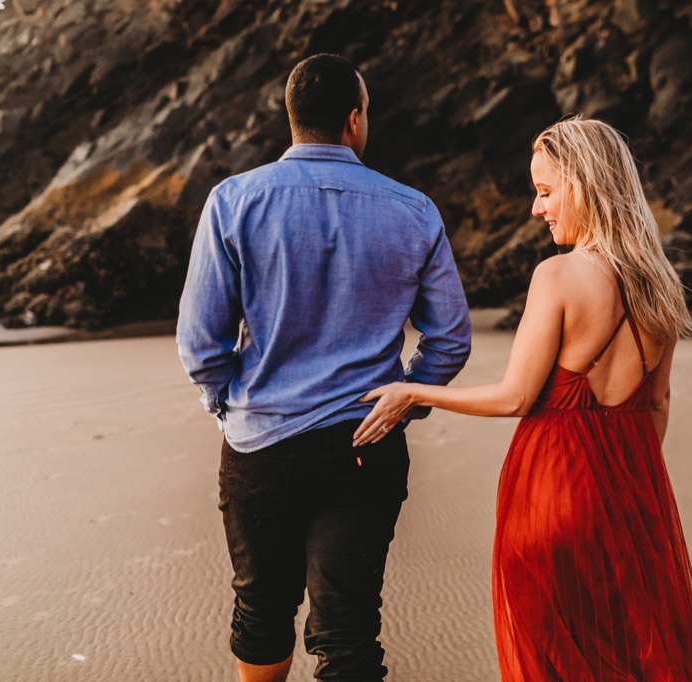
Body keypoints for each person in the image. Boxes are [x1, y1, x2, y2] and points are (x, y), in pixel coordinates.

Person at [354, 117, 692, 681]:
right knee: (631, 660)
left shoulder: (558, 277)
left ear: (585, 184)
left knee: (550, 664)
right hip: (629, 501)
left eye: (546, 191)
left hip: (549, 498)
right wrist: (624, 491)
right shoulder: (662, 285)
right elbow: (657, 403)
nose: (536, 208)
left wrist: (412, 390)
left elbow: (515, 397)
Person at [176, 53, 471, 682]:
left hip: (260, 444)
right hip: (364, 442)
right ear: (355, 119)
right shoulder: (414, 210)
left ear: (292, 119)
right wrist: (407, 399)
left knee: (260, 609)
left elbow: (200, 342)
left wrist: (229, 404)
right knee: (349, 628)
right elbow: (450, 338)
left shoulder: (234, 200)